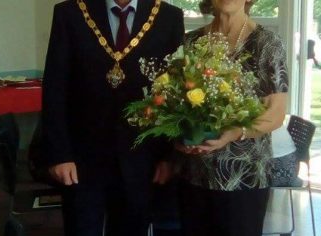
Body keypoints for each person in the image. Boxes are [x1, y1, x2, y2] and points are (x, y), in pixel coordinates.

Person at [42, 0, 184, 235]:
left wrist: (168, 156)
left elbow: (175, 93)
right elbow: (55, 88)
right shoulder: (70, 13)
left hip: (142, 160)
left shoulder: (168, 16)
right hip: (81, 160)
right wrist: (59, 154)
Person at [175, 0, 289, 235]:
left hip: (244, 176)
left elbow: (276, 114)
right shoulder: (191, 42)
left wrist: (236, 132)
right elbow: (179, 104)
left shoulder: (267, 43)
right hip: (196, 174)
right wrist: (181, 140)